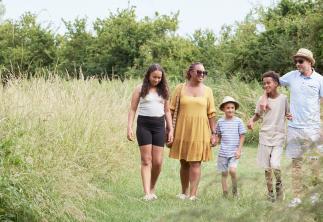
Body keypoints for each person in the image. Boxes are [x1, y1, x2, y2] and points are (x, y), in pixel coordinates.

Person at [261, 48, 323, 207]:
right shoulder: (291, 76)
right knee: (296, 163)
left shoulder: (319, 80)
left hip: (314, 128)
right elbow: (271, 83)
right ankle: (297, 197)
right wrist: (263, 97)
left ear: (309, 62)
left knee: (314, 162)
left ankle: (315, 197)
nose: (297, 64)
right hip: (295, 127)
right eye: (296, 61)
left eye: (301, 61)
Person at [169, 62, 216, 200]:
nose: (202, 75)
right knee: (183, 161)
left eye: (204, 73)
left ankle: (193, 195)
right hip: (182, 128)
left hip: (200, 129)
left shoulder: (208, 91)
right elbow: (171, 110)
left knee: (195, 162)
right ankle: (184, 192)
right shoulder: (179, 88)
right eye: (199, 72)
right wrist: (169, 129)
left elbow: (211, 113)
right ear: (190, 72)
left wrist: (214, 133)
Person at [127, 64, 173, 201]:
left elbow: (167, 111)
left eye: (159, 77)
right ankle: (147, 193)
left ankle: (152, 187)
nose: (157, 80)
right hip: (144, 125)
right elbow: (133, 109)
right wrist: (129, 127)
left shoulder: (164, 90)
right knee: (146, 160)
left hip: (159, 125)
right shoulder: (140, 88)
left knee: (158, 162)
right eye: (154, 77)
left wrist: (170, 129)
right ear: (148, 75)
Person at [248, 71, 291, 202]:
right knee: (267, 168)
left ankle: (279, 186)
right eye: (264, 83)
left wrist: (290, 116)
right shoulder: (262, 100)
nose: (266, 85)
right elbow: (257, 115)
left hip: (278, 136)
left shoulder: (283, 99)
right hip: (265, 136)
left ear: (276, 84)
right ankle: (270, 193)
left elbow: (287, 113)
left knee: (275, 164)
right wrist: (251, 120)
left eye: (269, 83)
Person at [216, 96, 246, 198]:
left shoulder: (239, 121)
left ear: (235, 109)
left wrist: (239, 150)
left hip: (234, 152)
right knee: (224, 173)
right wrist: (215, 141)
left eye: (232, 108)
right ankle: (225, 193)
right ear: (223, 109)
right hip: (223, 152)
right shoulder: (220, 122)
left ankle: (235, 191)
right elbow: (218, 135)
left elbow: (242, 136)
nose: (230, 110)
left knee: (232, 171)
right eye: (228, 108)